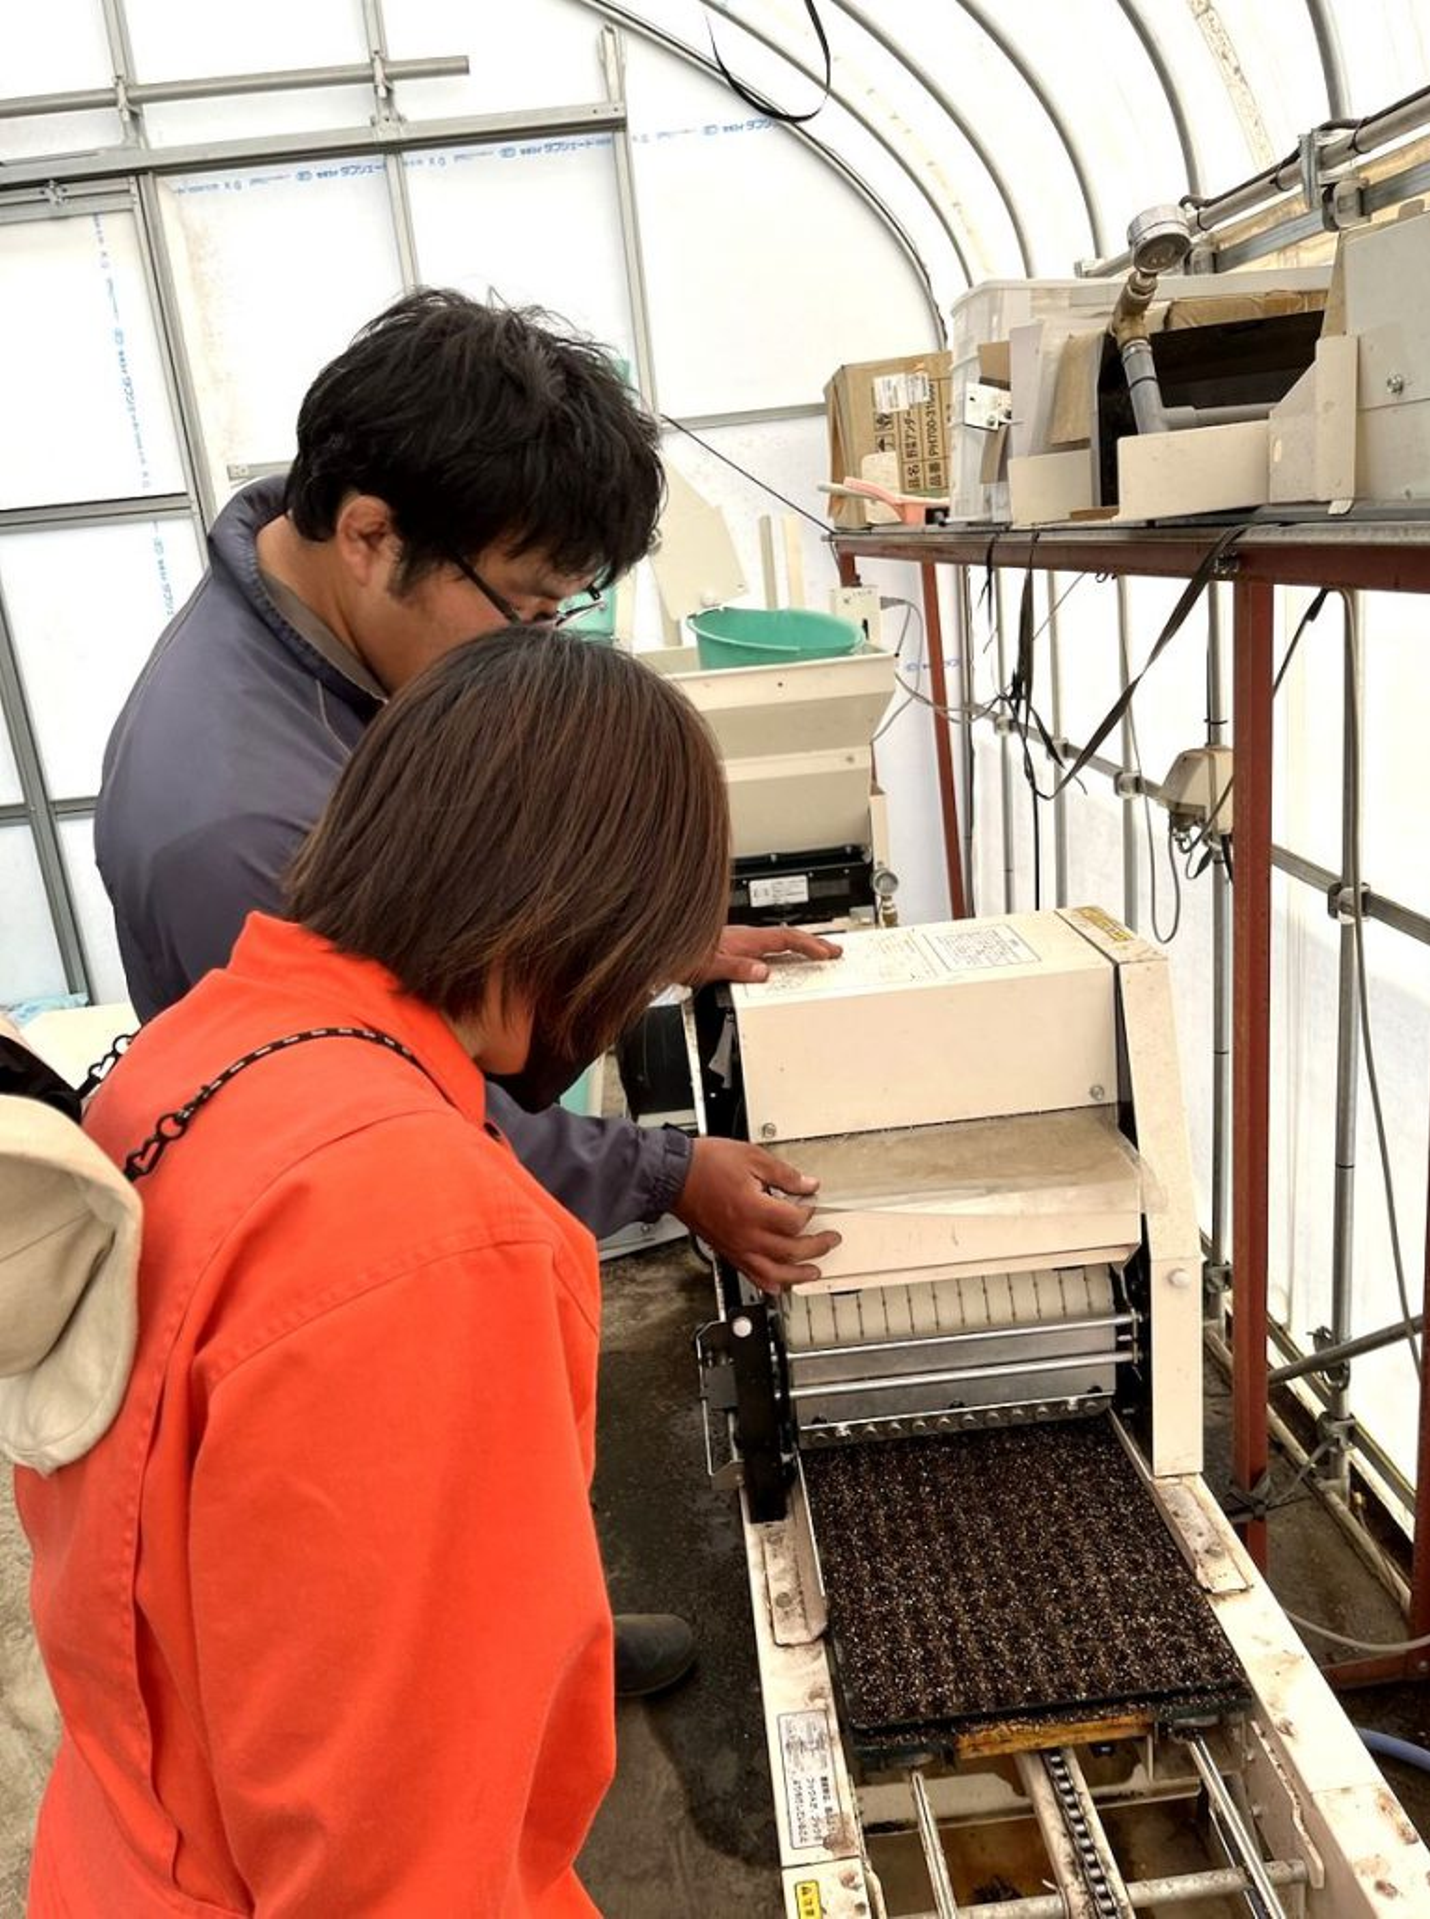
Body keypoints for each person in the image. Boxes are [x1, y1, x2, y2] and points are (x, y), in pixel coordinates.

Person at [93, 288, 841, 1694]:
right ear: (372, 534)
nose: (539, 647)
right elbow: (413, 1119)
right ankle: (519, 1650)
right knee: (414, 1573)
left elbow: (445, 913)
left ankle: (542, 1621)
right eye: (528, 607)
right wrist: (670, 1169)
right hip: (334, 1332)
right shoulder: (242, 829)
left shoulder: (334, 628)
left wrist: (632, 927)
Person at [20, 632, 733, 1916]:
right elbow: (396, 1850)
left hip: (126, 1841)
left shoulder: (202, 1045)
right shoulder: (433, 1241)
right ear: (570, 928)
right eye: (637, 967)